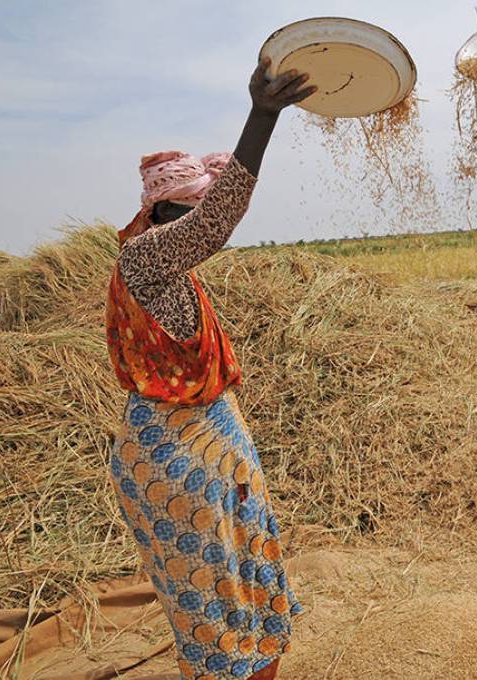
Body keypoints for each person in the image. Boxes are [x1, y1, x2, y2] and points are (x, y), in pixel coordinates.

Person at [104, 58, 316, 680]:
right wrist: (263, 115)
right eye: (189, 214)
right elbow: (221, 216)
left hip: (210, 448)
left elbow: (219, 205)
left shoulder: (175, 271)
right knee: (217, 606)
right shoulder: (145, 258)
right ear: (164, 216)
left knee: (250, 593)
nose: (200, 227)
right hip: (174, 456)